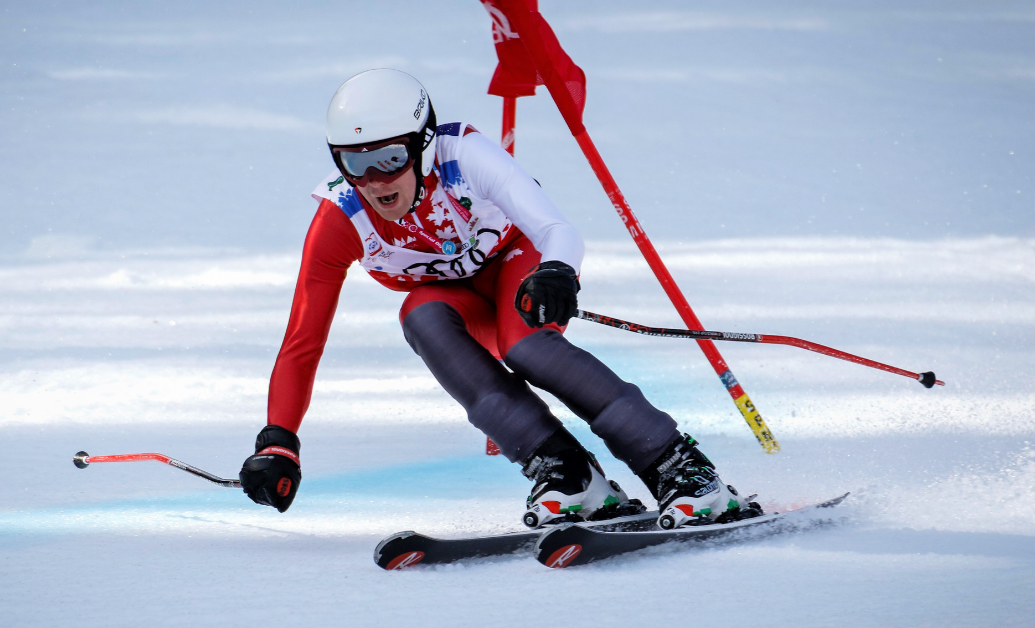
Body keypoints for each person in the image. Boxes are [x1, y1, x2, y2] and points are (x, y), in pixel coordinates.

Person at [238, 69, 758, 530]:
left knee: (526, 348)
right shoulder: (340, 218)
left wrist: (557, 271)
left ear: (421, 145)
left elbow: (557, 228)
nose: (375, 181)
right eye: (355, 162)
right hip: (456, 304)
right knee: (417, 314)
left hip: (519, 271)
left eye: (390, 158)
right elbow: (303, 339)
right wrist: (279, 439)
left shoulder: (463, 156)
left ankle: (677, 466)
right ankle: (566, 472)